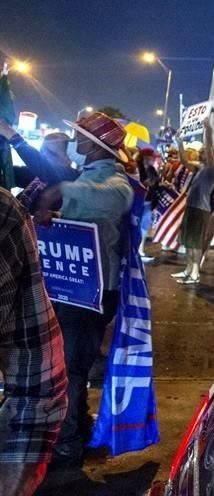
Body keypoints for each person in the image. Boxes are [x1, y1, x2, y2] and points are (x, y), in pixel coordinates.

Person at [34, 112, 134, 466]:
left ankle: (67, 441)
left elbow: (115, 198)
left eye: (79, 137)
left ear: (93, 146)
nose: (75, 142)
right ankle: (76, 424)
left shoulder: (114, 180)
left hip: (91, 293)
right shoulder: (91, 174)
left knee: (71, 367)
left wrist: (63, 191)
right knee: (66, 363)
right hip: (72, 289)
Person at [0, 188, 68, 495]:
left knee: (81, 361)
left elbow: (37, 377)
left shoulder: (4, 214)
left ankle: (73, 441)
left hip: (80, 291)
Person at [172, 117, 214, 285]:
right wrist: (180, 142)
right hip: (192, 207)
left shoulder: (213, 169)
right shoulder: (199, 168)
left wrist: (208, 129)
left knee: (196, 243)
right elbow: (184, 161)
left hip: (201, 209)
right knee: (188, 242)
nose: (201, 154)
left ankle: (195, 273)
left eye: (204, 152)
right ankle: (187, 270)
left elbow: (208, 147)